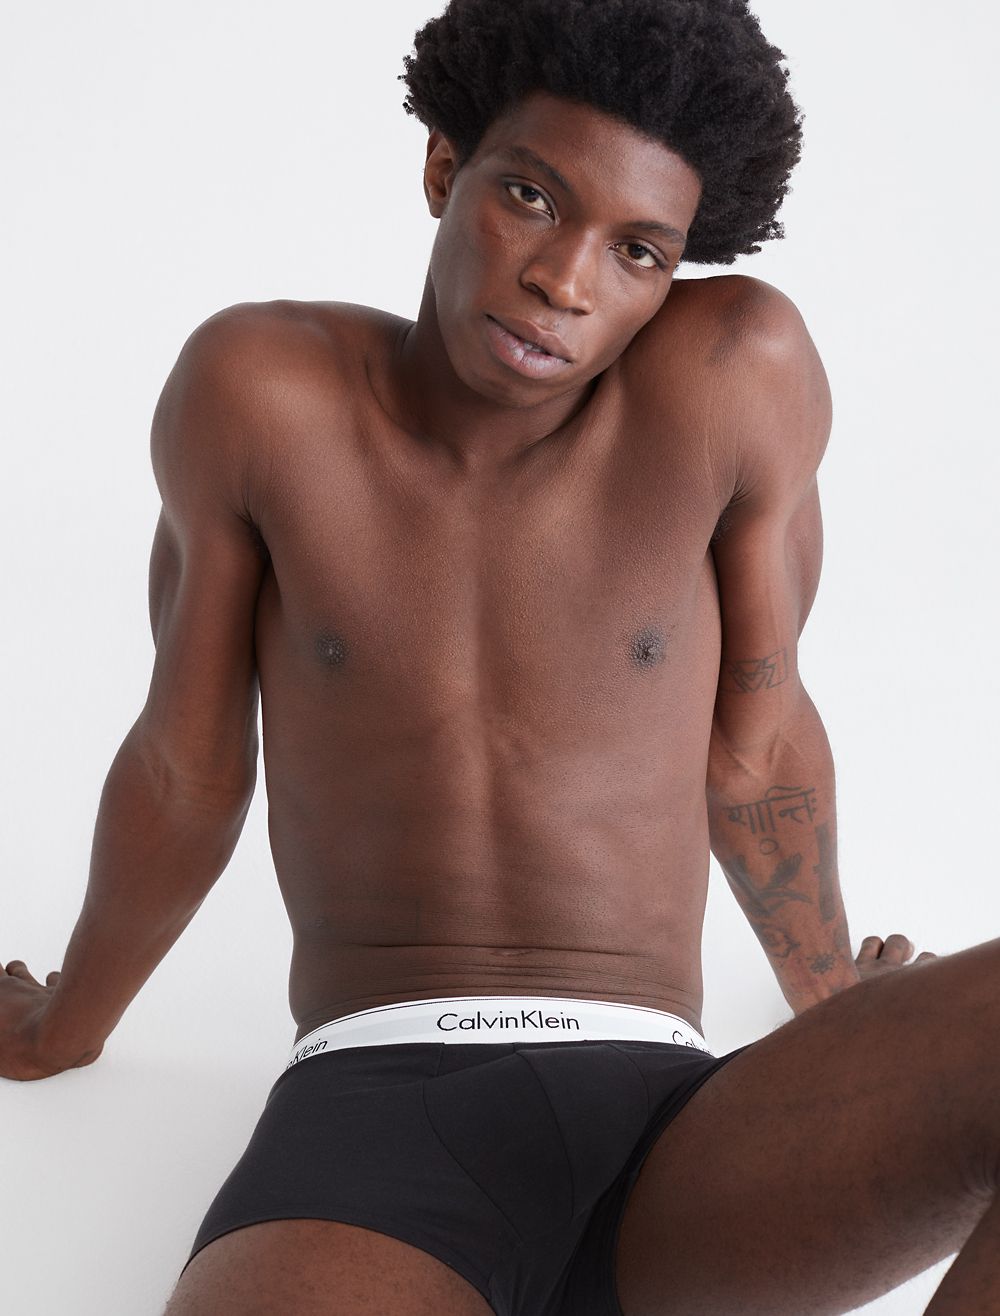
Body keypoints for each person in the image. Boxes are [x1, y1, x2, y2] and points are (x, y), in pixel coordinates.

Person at [1, 0, 995, 1312]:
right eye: (531, 196)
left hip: (678, 1131)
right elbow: (187, 769)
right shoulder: (260, 396)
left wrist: (836, 1013)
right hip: (373, 1117)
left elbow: (757, 750)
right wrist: (62, 1024)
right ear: (441, 167)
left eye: (637, 251)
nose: (565, 282)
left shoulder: (728, 382)